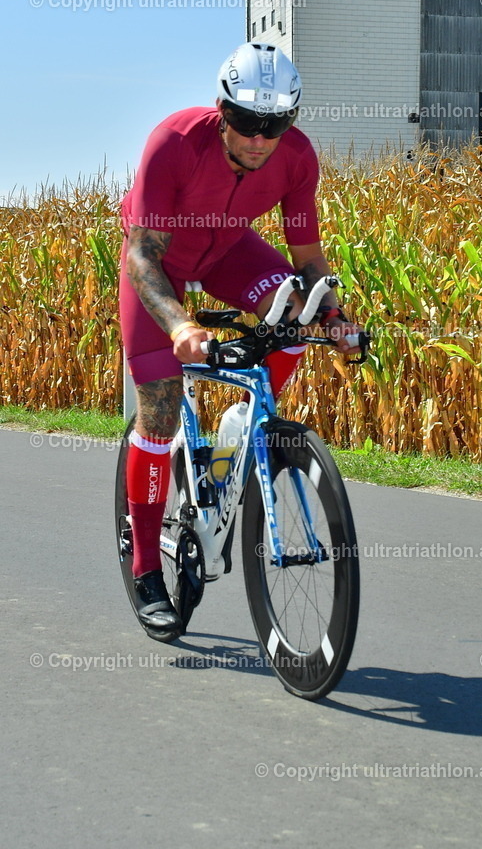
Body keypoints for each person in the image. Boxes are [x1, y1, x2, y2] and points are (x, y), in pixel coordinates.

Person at [119, 42, 360, 633]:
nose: (260, 137)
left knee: (298, 319)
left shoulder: (297, 158)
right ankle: (148, 564)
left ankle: (241, 426)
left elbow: (307, 258)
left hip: (229, 250)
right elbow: (141, 256)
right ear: (222, 109)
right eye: (247, 121)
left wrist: (334, 318)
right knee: (159, 409)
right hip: (161, 261)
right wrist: (179, 325)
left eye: (276, 123)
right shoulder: (173, 142)